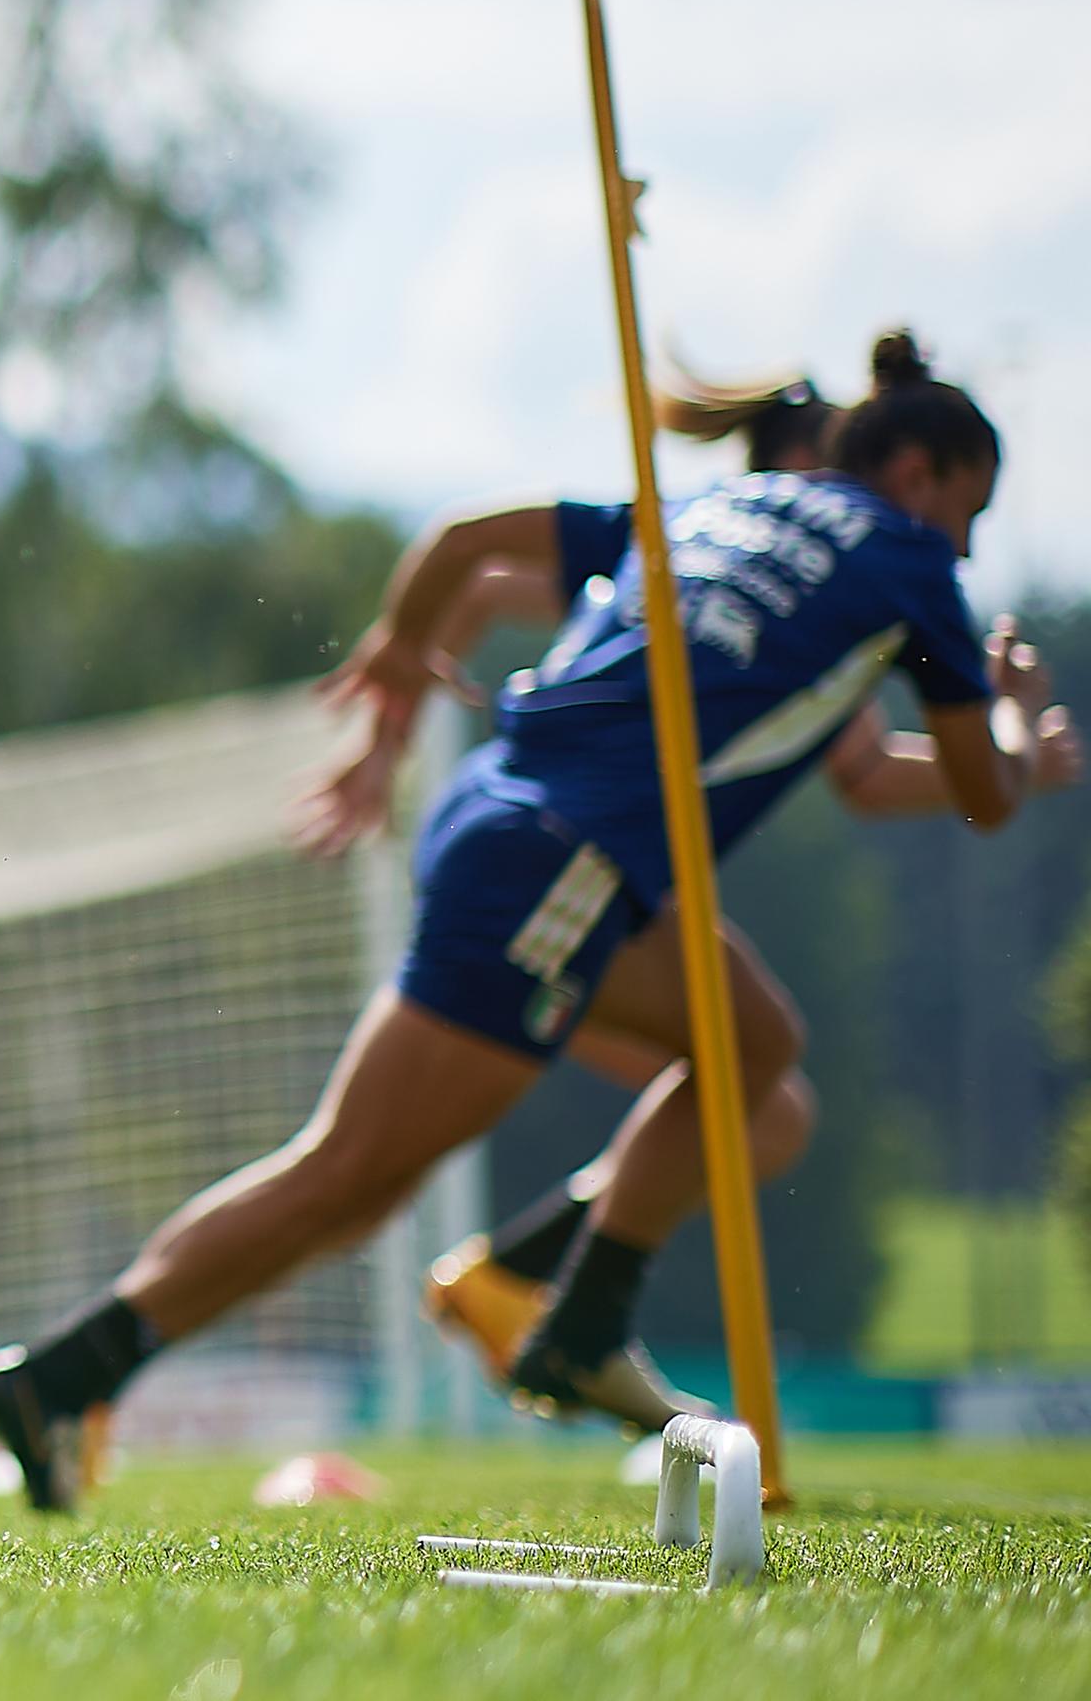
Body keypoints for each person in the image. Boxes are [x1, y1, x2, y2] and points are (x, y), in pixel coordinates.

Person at [0, 332, 1062, 1510]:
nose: (968, 542)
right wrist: (1022, 735)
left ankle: (94, 1371)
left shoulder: (717, 510)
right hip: (566, 868)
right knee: (346, 1173)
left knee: (743, 1056)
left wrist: (396, 657)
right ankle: (556, 1324)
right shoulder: (909, 566)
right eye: (970, 509)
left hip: (511, 823)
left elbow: (466, 543)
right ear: (919, 476)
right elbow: (985, 798)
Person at [333, 365, 1083, 1407]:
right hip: (558, 857)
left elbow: (864, 774)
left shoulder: (799, 609)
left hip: (573, 860)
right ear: (809, 471)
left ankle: (524, 1281)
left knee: (768, 1108)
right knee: (735, 1087)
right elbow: (491, 580)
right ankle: (545, 1299)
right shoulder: (763, 570)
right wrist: (396, 715)